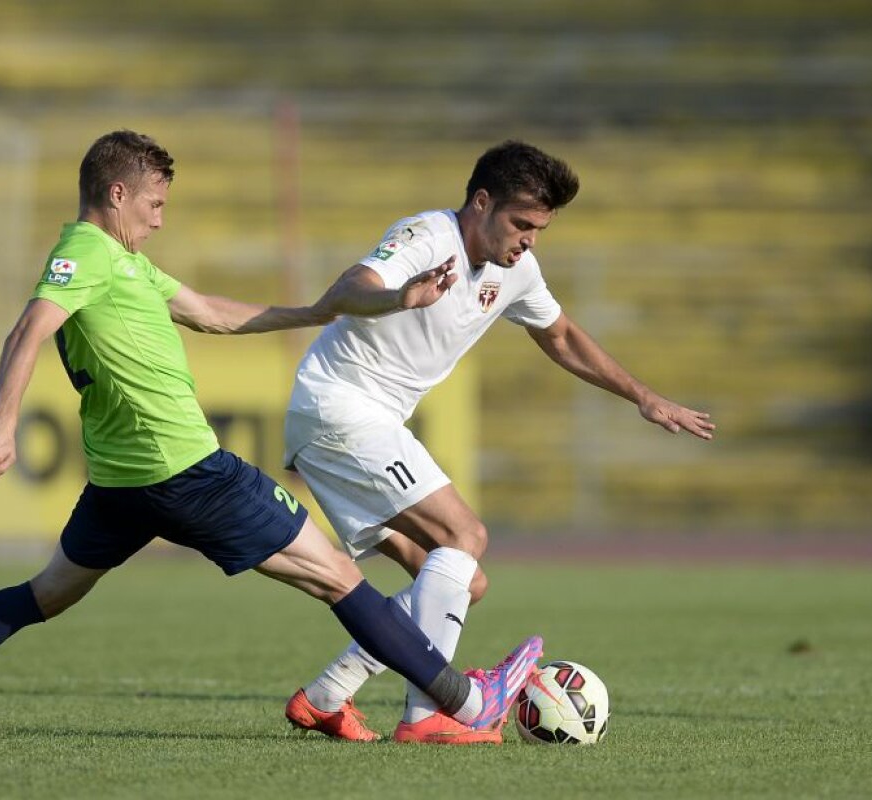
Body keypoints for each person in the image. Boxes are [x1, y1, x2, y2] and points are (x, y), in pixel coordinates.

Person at [0, 130, 544, 740]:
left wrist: (320, 310)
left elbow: (210, 313)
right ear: (116, 195)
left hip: (120, 487)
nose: (160, 220)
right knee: (341, 580)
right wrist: (2, 421)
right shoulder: (83, 254)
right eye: (154, 204)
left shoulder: (129, 264)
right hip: (190, 474)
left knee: (43, 595)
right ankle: (466, 704)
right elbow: (31, 325)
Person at [282, 140, 716, 744]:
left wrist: (642, 395)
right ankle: (429, 714)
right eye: (520, 223)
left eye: (539, 228)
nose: (529, 239)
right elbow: (353, 285)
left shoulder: (517, 271)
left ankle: (328, 696)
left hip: (355, 422)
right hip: (343, 408)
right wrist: (398, 297)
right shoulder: (429, 237)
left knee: (463, 578)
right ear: (481, 203)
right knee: (465, 537)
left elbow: (561, 336)